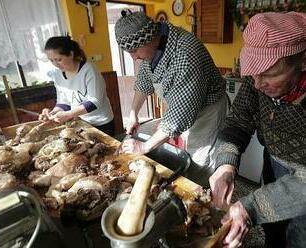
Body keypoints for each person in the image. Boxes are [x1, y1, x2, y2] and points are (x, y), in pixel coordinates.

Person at [209, 12, 306, 248]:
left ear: (303, 61)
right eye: (253, 72)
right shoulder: (258, 82)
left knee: (299, 237)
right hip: (273, 163)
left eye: (269, 75)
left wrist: (252, 207)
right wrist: (225, 165)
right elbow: (238, 121)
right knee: (273, 232)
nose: (257, 84)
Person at [114, 10, 228, 182]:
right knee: (188, 153)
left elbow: (179, 117)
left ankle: (205, 199)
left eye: (135, 50)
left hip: (207, 114)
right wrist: (133, 113)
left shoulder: (186, 55)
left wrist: (145, 146)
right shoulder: (152, 49)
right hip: (185, 111)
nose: (134, 57)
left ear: (150, 37)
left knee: (201, 163)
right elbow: (144, 81)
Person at [39, 36, 114, 136]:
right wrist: (53, 113)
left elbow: (95, 101)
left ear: (71, 54)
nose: (55, 64)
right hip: (80, 123)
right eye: (51, 60)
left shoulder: (89, 70)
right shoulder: (57, 74)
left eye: (59, 59)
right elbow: (64, 102)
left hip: (101, 123)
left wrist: (68, 114)